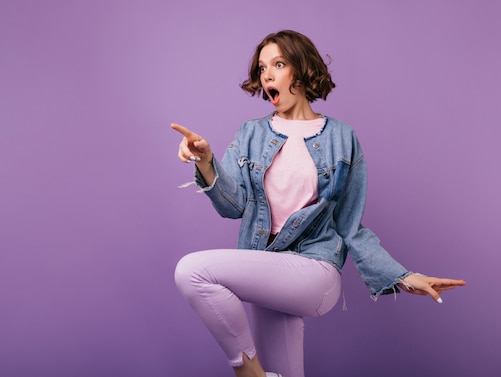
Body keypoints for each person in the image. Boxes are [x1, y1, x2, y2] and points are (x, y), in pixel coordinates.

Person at [171, 30, 466, 377]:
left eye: (278, 64)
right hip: (267, 266)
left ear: (301, 69)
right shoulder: (250, 133)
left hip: (316, 272)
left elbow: (350, 225)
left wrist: (402, 277)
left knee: (192, 270)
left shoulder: (342, 137)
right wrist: (205, 161)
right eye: (262, 67)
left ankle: (248, 373)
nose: (267, 74)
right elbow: (233, 206)